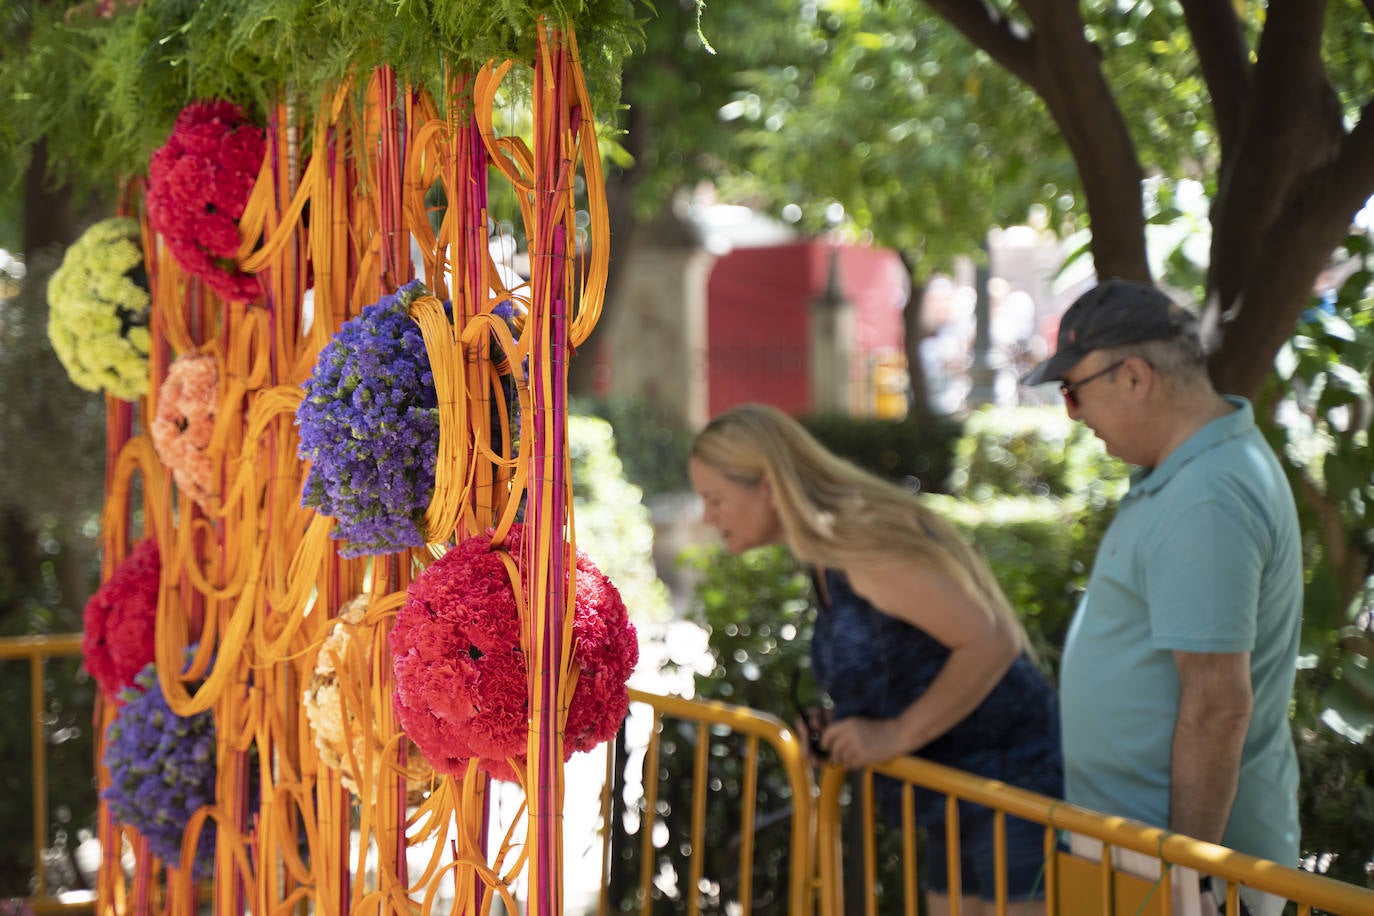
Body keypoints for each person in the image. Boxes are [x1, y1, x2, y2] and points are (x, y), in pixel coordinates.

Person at [689, 403, 1062, 916]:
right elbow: (902, 659)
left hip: (1010, 791)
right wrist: (849, 723)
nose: (707, 516)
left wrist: (894, 734)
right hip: (953, 797)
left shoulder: (858, 544)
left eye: (715, 499)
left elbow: (991, 644)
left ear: (769, 486)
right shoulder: (828, 551)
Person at [1021, 279, 1302, 916]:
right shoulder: (1189, 474)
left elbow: (1217, 707)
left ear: (1135, 377)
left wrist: (1187, 876)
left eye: (1074, 392)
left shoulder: (1208, 495)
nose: (1075, 414)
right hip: (1140, 863)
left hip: (1172, 880)